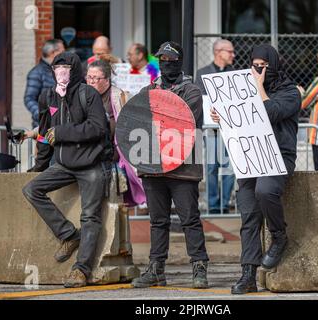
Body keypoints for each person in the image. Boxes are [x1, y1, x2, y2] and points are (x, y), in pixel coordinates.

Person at [211, 44, 301, 294]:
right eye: (254, 64)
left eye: (264, 65)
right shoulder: (244, 89)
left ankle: (279, 235)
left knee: (266, 191)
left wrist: (259, 87)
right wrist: (222, 115)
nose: (258, 69)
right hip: (251, 156)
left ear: (273, 64)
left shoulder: (290, 92)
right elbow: (239, 117)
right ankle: (248, 273)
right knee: (248, 214)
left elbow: (270, 112)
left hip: (279, 155)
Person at [22, 52, 112, 288]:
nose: (61, 72)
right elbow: (44, 134)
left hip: (91, 164)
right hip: (63, 164)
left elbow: (97, 128)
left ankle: (81, 270)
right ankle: (70, 235)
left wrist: (63, 133)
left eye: (66, 67)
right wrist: (39, 166)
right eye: (56, 67)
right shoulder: (48, 96)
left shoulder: (88, 93)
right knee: (32, 189)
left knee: (90, 216)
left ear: (75, 70)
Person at [131, 41, 209, 289]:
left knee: (190, 219)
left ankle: (199, 266)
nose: (165, 64)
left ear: (178, 62)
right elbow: (138, 121)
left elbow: (184, 123)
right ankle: (156, 268)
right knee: (158, 220)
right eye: (161, 60)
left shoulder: (192, 91)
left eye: (169, 60)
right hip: (153, 166)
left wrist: (157, 118)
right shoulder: (148, 89)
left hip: (183, 168)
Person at [86, 57, 146, 207]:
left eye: (95, 78)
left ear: (107, 80)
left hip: (114, 159)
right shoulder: (82, 95)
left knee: (115, 204)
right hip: (89, 158)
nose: (91, 81)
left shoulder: (121, 97)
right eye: (89, 77)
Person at [195, 39, 236, 214]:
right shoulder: (202, 73)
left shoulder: (234, 73)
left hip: (231, 128)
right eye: (230, 52)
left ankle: (224, 203)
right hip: (211, 128)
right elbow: (202, 99)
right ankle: (213, 204)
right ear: (219, 52)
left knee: (230, 166)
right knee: (211, 166)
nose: (233, 55)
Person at [24, 39, 65, 128]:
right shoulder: (36, 73)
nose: (65, 55)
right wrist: (43, 115)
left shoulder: (60, 70)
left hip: (62, 126)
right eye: (62, 52)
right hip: (43, 127)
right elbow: (29, 99)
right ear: (53, 53)